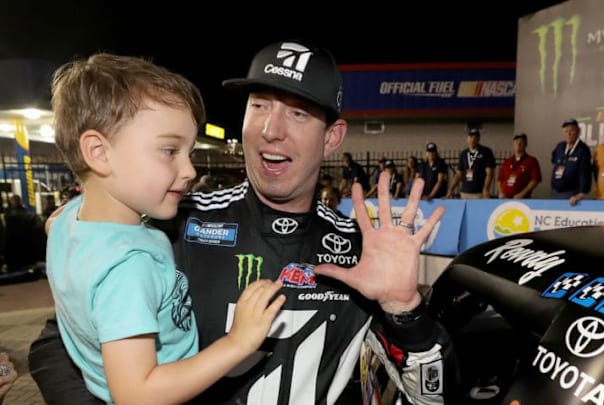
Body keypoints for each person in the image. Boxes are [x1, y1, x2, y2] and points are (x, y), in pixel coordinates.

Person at [30, 40, 453, 405]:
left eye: (299, 113)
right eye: (260, 106)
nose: (272, 129)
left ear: (332, 138)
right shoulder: (171, 223)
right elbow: (56, 343)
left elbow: (434, 395)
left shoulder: (364, 254)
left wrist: (404, 311)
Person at [38, 52, 285, 404]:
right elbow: (137, 393)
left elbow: (54, 224)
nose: (190, 170)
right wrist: (237, 343)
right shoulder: (129, 268)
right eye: (169, 150)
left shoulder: (69, 219)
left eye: (188, 151)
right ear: (98, 152)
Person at [550, 118, 592, 205]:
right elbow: (554, 160)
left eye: (571, 131)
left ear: (578, 131)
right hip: (555, 192)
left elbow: (585, 173)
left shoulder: (583, 149)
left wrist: (581, 193)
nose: (568, 134)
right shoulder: (560, 147)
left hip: (572, 194)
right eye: (566, 131)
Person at [446, 128, 496, 199]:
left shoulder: (486, 152)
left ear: (478, 139)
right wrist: (450, 189)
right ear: (467, 138)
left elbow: (489, 173)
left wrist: (486, 189)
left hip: (479, 192)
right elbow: (458, 174)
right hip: (465, 192)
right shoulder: (463, 154)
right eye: (471, 137)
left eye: (475, 137)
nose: (472, 139)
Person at [497, 133, 542, 198]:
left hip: (522, 199)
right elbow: (500, 179)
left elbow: (535, 180)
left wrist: (522, 193)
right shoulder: (507, 162)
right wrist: (501, 192)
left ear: (525, 144)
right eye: (516, 142)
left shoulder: (531, 161)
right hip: (505, 199)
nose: (518, 144)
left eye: (521, 142)